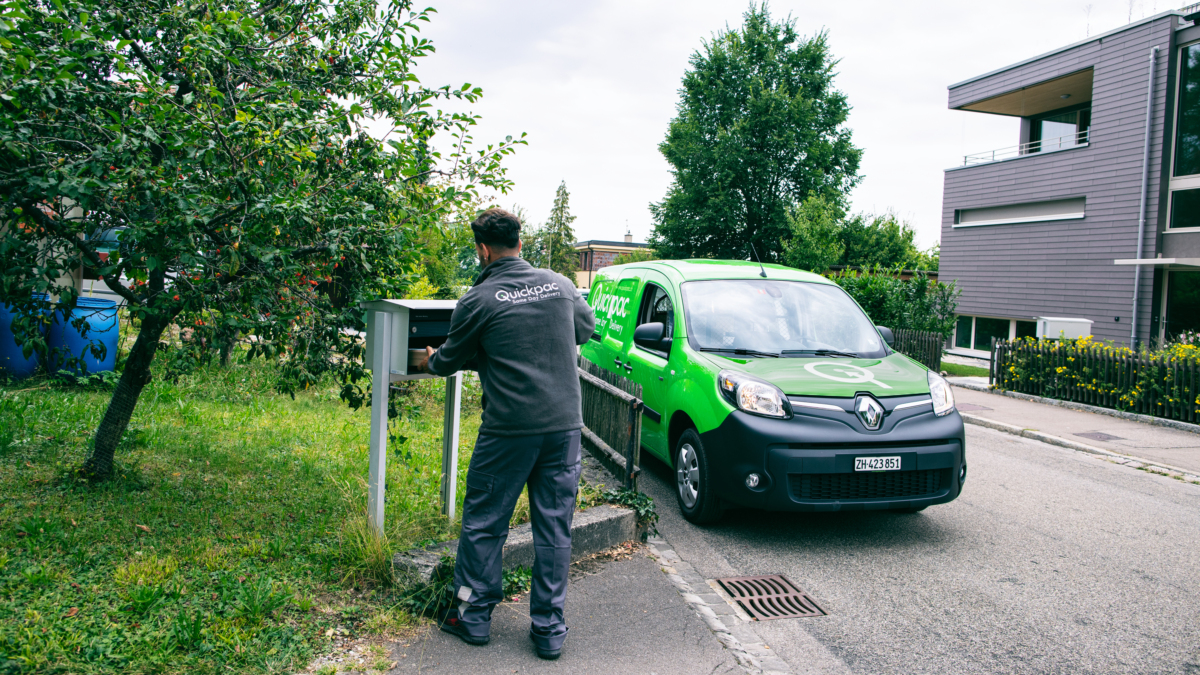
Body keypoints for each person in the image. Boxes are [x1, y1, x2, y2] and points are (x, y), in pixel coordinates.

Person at [419, 207, 596, 660]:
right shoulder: (559, 283)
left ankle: (473, 617)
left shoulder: (478, 300)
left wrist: (429, 360)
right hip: (563, 428)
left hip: (509, 431)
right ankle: (549, 630)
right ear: (521, 240)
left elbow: (452, 358)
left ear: (482, 249)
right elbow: (584, 329)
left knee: (485, 521)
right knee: (555, 528)